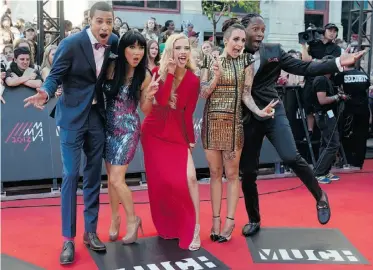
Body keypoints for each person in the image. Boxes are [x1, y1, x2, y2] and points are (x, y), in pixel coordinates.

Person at [239, 13, 367, 237]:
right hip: (249, 116)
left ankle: (320, 197)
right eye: (255, 29)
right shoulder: (234, 51)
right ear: (244, 30)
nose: (260, 34)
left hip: (272, 111)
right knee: (248, 172)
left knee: (290, 156)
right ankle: (254, 218)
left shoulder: (274, 51)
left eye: (262, 29)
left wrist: (338, 62)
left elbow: (304, 68)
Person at [23, 2, 118, 265]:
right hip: (71, 119)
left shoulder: (115, 43)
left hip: (97, 118)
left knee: (92, 177)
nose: (105, 27)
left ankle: (90, 232)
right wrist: (45, 90)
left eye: (109, 21)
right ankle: (68, 238)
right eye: (100, 21)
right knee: (70, 175)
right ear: (90, 20)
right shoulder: (72, 43)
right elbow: (55, 76)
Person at [199, 18, 276, 243]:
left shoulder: (246, 61)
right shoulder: (208, 58)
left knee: (232, 175)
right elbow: (204, 93)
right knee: (215, 174)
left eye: (243, 40)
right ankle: (215, 221)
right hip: (212, 123)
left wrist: (259, 112)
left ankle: (230, 221)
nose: (240, 43)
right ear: (225, 40)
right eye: (236, 39)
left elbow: (245, 94)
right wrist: (216, 75)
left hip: (234, 125)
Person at [141, 33, 201, 251]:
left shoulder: (194, 80)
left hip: (177, 133)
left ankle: (194, 227)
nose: (183, 52)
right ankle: (168, 225)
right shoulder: (159, 72)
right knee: (162, 185)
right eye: (178, 48)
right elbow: (163, 101)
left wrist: (190, 141)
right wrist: (169, 72)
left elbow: (189, 114)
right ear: (170, 52)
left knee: (190, 178)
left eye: (186, 48)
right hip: (154, 132)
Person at [103, 30, 155, 244]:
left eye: (141, 47)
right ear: (122, 49)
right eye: (132, 47)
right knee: (111, 180)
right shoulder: (111, 68)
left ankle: (133, 220)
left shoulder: (145, 76)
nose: (137, 52)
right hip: (107, 128)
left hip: (128, 130)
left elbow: (146, 110)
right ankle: (115, 219)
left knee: (117, 179)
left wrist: (150, 97)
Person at [311, 55, 345, 184]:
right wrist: (337, 97)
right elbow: (322, 100)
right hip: (324, 115)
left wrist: (338, 96)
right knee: (333, 144)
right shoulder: (321, 80)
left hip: (327, 115)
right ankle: (319, 172)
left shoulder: (326, 80)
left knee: (326, 144)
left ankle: (323, 171)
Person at [334, 64, 371, 169]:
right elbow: (365, 89)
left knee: (347, 135)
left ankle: (348, 160)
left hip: (349, 109)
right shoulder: (364, 75)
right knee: (361, 136)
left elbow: (335, 86)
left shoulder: (342, 75)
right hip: (363, 110)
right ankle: (359, 162)